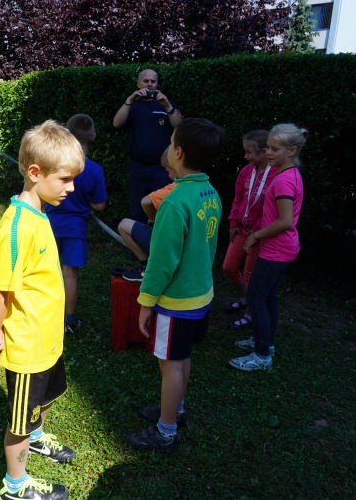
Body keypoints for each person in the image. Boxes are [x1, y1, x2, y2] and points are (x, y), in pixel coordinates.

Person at [0, 121, 85, 500]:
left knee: (40, 403)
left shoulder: (40, 213)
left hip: (47, 341)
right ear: (35, 173)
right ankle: (15, 485)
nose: (71, 188)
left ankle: (37, 437)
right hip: (27, 349)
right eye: (65, 179)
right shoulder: (17, 227)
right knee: (19, 423)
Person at [124, 118, 224, 453]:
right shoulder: (210, 192)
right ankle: (175, 409)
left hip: (176, 302)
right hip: (201, 295)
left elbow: (161, 262)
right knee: (180, 359)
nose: (167, 147)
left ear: (178, 153)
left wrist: (145, 302)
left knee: (170, 365)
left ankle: (165, 431)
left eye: (170, 142)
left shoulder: (174, 202)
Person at [229, 124, 306, 371]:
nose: (269, 153)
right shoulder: (288, 174)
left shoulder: (283, 180)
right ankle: (266, 343)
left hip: (276, 249)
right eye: (268, 148)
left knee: (256, 296)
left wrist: (256, 235)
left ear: (292, 151)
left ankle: (262, 356)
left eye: (275, 149)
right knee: (268, 296)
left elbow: (285, 221)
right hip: (282, 248)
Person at [45, 113, 108, 334]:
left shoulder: (54, 165)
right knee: (69, 274)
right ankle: (69, 321)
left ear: (66, 134)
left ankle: (46, 316)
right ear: (93, 137)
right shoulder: (94, 170)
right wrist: (86, 200)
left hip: (50, 225)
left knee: (46, 271)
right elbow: (100, 205)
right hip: (76, 228)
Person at [112, 68, 184, 223]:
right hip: (138, 168)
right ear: (138, 84)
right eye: (146, 81)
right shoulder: (132, 105)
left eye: (153, 81)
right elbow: (117, 123)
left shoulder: (166, 104)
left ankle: (160, 237)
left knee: (162, 208)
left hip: (162, 168)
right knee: (138, 208)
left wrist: (168, 106)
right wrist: (129, 100)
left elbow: (180, 127)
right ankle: (138, 237)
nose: (150, 84)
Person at [221, 130, 276, 329]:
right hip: (241, 229)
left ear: (263, 152)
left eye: (249, 152)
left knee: (250, 275)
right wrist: (232, 222)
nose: (245, 156)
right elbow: (238, 199)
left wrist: (259, 231)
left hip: (258, 234)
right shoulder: (246, 172)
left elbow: (273, 209)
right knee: (228, 267)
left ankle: (249, 314)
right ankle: (245, 298)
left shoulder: (275, 175)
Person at [117, 145, 176, 282]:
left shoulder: (174, 188)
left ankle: (145, 267)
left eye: (168, 170)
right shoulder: (200, 189)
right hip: (181, 247)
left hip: (166, 245)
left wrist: (153, 218)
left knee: (124, 225)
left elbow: (145, 202)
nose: (167, 174)